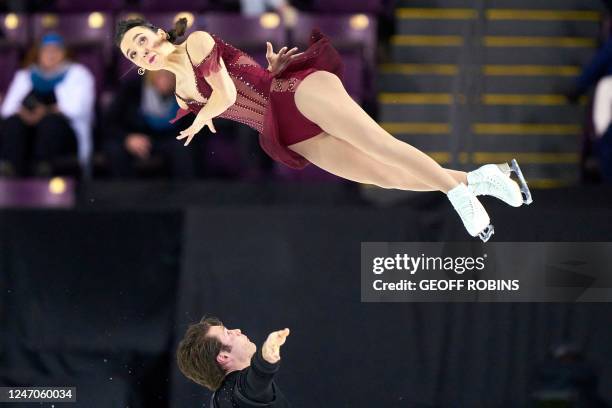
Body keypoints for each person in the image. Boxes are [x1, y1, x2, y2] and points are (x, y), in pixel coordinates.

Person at [115, 18, 533, 241]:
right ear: (136, 64)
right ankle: (485, 178)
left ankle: (459, 194)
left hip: (295, 91)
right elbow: (232, 105)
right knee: (382, 178)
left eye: (141, 38)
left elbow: (224, 93)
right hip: (284, 130)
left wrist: (204, 116)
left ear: (156, 31)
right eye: (133, 52)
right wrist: (202, 112)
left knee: (380, 146)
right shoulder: (180, 95)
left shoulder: (197, 41)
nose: (142, 50)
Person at [0, 33, 95, 177]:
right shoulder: (25, 75)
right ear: (38, 53)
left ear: (64, 53)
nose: (51, 55)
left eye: (56, 50)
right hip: (28, 131)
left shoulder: (78, 74)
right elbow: (6, 110)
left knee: (50, 123)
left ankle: (43, 169)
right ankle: (9, 170)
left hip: (63, 135)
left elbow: (78, 110)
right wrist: (25, 114)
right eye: (46, 50)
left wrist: (46, 112)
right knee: (13, 123)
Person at [176, 317, 290, 407]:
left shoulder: (222, 398)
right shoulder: (237, 393)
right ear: (224, 357)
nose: (237, 331)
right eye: (228, 333)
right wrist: (267, 356)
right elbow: (254, 382)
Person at [103, 69, 198, 178]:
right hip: (133, 137)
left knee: (184, 149)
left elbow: (191, 127)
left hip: (167, 140)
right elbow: (110, 123)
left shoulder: (186, 95)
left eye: (169, 75)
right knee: (114, 150)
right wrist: (127, 138)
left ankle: (185, 192)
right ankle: (126, 192)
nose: (165, 79)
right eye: (160, 74)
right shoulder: (132, 87)